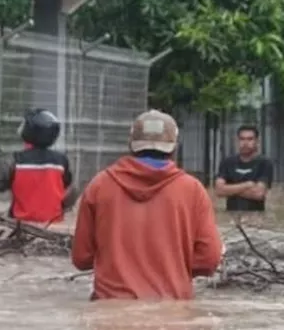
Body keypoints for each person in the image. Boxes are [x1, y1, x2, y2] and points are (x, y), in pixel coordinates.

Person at [71, 110, 224, 299]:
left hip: (111, 310)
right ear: (175, 147)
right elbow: (209, 259)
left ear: (130, 145)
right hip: (172, 312)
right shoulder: (193, 190)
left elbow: (81, 258)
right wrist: (173, 267)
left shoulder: (99, 185)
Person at [0, 108, 78, 225]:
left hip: (21, 225)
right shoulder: (61, 161)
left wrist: (11, 181)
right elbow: (69, 188)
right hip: (53, 224)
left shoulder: (15, 160)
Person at [214, 125, 273, 212]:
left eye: (250, 139)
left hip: (256, 217)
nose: (245, 143)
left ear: (257, 141)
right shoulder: (227, 162)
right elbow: (219, 191)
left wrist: (229, 189)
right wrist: (247, 185)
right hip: (231, 216)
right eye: (242, 139)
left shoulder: (264, 163)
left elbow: (259, 194)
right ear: (237, 141)